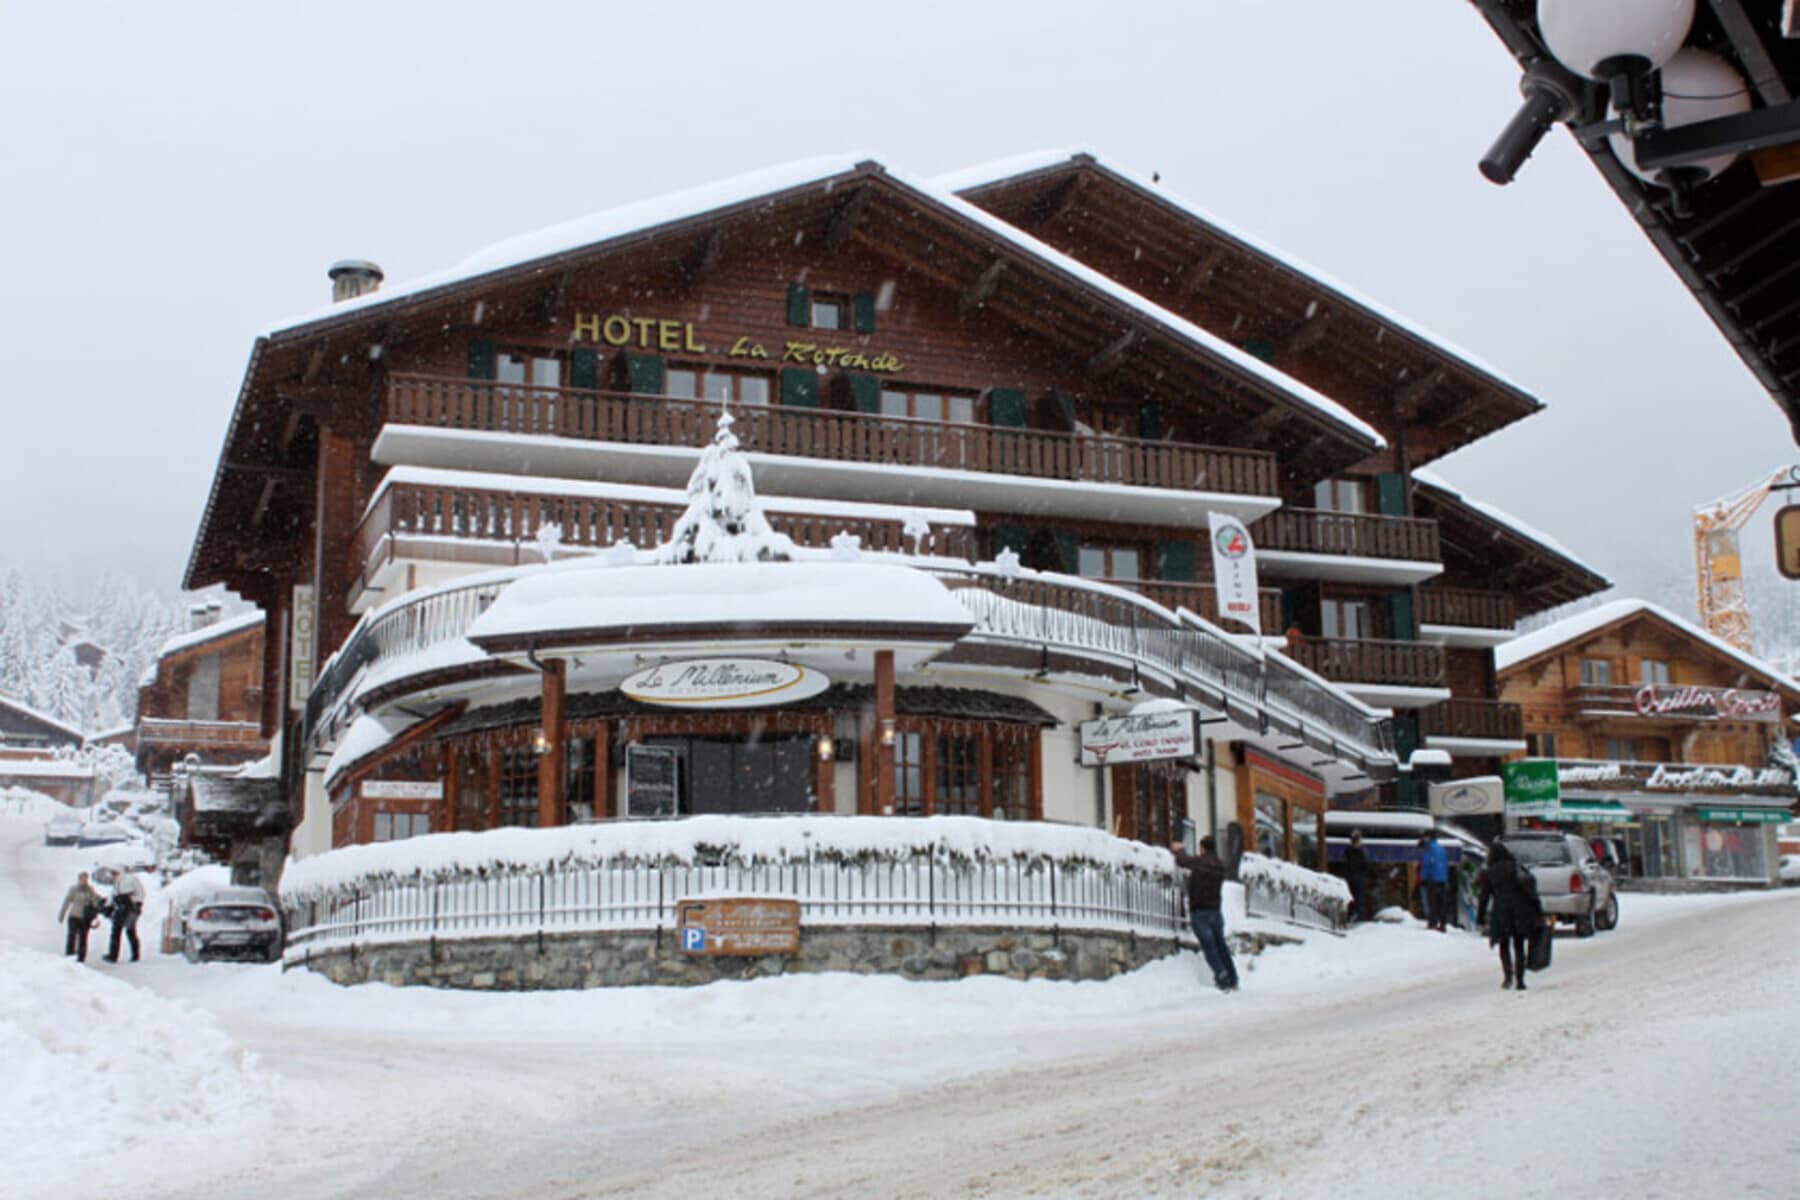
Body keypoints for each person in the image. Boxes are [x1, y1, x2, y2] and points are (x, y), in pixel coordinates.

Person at [1169, 835, 1239, 992]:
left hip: (1200, 910)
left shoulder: (1201, 862)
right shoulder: (1219, 865)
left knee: (1209, 946)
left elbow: (1183, 861)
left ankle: (1221, 976)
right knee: (1221, 945)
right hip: (1215, 910)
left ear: (1202, 848)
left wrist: (1179, 850)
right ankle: (1233, 977)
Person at [1477, 841, 1544, 991]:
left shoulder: (1490, 872)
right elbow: (1529, 890)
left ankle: (1508, 977)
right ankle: (1520, 980)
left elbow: (1484, 896)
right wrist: (1538, 910)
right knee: (1519, 945)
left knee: (1503, 944)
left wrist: (1480, 917)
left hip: (1501, 912)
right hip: (1519, 911)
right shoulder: (1516, 867)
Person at [58, 871, 104, 962]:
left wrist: (96, 913)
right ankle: (69, 954)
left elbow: (95, 903)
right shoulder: (73, 889)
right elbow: (67, 901)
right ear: (79, 879)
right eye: (82, 878)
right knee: (72, 936)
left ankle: (81, 957)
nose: (84, 880)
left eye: (86, 878)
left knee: (83, 937)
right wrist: (62, 914)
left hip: (85, 918)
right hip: (74, 916)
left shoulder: (90, 890)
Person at [104, 868, 146, 963]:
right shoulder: (116, 884)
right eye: (112, 874)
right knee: (115, 931)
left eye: (115, 873)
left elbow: (141, 894)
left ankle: (135, 955)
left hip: (132, 909)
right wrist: (108, 906)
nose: (113, 876)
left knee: (130, 931)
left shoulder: (131, 879)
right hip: (120, 909)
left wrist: (129, 899)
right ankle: (113, 955)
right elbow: (112, 896)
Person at [1418, 830, 1449, 932]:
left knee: (1432, 903)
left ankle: (1432, 923)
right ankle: (1443, 924)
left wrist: (1423, 879)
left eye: (1425, 837)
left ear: (1429, 837)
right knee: (1441, 903)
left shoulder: (1429, 848)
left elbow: (1426, 865)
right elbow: (1445, 864)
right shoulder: (1442, 848)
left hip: (1432, 879)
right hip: (1442, 879)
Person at [1344, 829, 1370, 922]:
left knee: (1358, 900)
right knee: (1354, 900)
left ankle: (1358, 917)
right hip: (1354, 878)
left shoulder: (1359, 851)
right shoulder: (1352, 852)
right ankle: (1354, 917)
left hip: (1357, 878)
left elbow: (1365, 866)